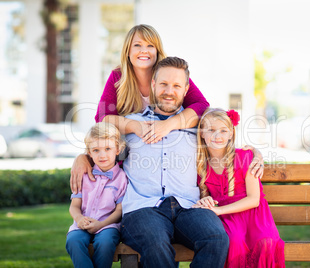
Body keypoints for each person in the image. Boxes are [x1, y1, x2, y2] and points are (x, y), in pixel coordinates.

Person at [70, 23, 265, 195]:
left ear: (157, 51)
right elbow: (103, 119)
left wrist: (169, 125)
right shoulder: (118, 78)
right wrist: (135, 126)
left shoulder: (169, 74)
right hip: (133, 165)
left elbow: (201, 107)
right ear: (128, 51)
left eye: (150, 46)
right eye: (137, 45)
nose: (143, 50)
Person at [121, 57, 229, 268]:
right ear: (153, 84)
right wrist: (82, 158)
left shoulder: (199, 126)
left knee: (216, 238)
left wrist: (256, 152)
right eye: (163, 84)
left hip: (188, 205)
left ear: (186, 89)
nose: (169, 91)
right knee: (156, 244)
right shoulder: (131, 124)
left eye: (177, 86)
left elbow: (228, 140)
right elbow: (98, 146)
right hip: (143, 207)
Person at [193, 108, 286, 268]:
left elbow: (254, 199)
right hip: (227, 218)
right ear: (202, 133)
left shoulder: (244, 157)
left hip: (253, 215)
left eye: (223, 130)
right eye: (211, 130)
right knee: (232, 240)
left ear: (231, 133)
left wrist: (219, 211)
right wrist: (206, 200)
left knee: (265, 241)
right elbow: (203, 196)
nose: (217, 135)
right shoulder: (201, 166)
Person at [66, 122, 128, 268]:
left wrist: (101, 224)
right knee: (73, 240)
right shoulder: (83, 175)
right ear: (89, 152)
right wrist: (79, 218)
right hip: (82, 224)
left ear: (118, 149)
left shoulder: (122, 178)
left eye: (108, 149)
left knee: (105, 242)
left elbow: (119, 210)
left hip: (108, 225)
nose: (102, 155)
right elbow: (74, 206)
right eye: (96, 150)